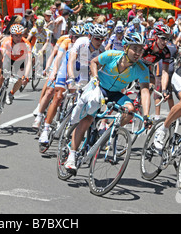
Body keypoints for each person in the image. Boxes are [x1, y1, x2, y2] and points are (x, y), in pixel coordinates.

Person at [64, 32, 152, 173]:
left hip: (116, 94)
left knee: (130, 111)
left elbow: (145, 91)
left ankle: (106, 133)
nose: (138, 53)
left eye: (141, 50)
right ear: (125, 48)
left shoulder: (142, 69)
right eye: (135, 48)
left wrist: (147, 115)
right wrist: (95, 77)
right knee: (87, 119)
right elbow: (94, 62)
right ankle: (72, 157)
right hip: (100, 88)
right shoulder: (111, 55)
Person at [1, 24, 32, 105]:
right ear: (11, 35)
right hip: (8, 57)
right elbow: (2, 55)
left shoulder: (26, 43)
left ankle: (11, 93)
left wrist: (26, 75)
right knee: (1, 75)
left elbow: (29, 61)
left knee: (20, 79)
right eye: (16, 36)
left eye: (20, 35)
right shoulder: (6, 41)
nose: (18, 38)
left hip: (20, 60)